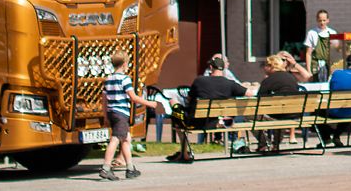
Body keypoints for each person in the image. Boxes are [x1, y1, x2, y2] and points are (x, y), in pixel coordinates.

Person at [170, 54, 253, 163]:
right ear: (224, 69)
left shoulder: (199, 81)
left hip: (195, 122)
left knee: (173, 104)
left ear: (210, 67)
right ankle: (219, 122)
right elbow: (249, 94)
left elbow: (189, 99)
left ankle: (184, 152)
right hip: (215, 121)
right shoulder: (230, 84)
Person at [99, 51, 159, 180]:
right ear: (125, 64)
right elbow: (133, 97)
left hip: (111, 112)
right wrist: (149, 103)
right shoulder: (125, 79)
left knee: (126, 139)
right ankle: (106, 167)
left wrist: (105, 116)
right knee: (115, 139)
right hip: (121, 113)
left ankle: (130, 168)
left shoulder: (108, 79)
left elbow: (104, 100)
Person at [255, 54, 302, 154]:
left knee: (250, 117)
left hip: (278, 114)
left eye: (266, 65)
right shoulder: (292, 78)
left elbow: (259, 99)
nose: (264, 68)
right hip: (295, 114)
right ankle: (275, 145)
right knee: (280, 114)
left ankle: (264, 144)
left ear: (271, 66)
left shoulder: (268, 80)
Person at [303, 9, 338, 81]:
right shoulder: (312, 33)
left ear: (328, 20)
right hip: (316, 65)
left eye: (324, 20)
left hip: (329, 64)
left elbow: (337, 50)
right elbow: (308, 53)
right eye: (320, 20)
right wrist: (309, 71)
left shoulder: (332, 32)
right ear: (317, 20)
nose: (322, 23)